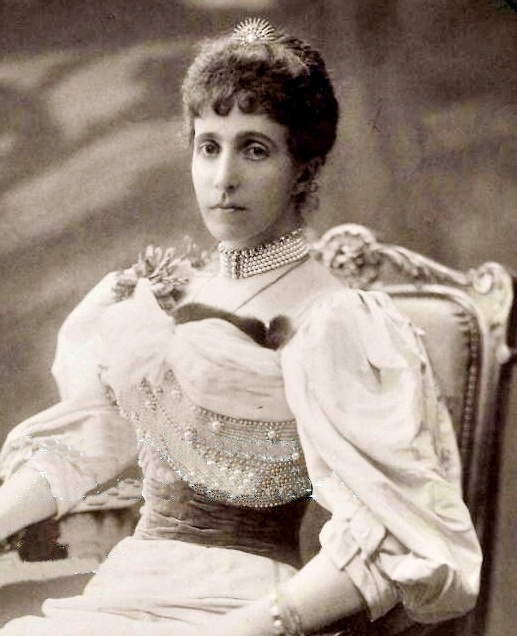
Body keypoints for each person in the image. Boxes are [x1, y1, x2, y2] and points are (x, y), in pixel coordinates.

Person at [0, 17, 481, 636]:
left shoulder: (335, 321)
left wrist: (251, 625)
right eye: (209, 146)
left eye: (254, 149)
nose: (223, 177)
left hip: (242, 607)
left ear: (304, 168)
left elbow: (395, 532)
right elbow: (93, 436)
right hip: (124, 591)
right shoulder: (164, 295)